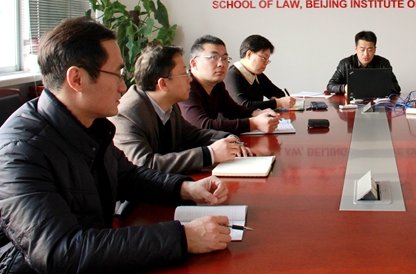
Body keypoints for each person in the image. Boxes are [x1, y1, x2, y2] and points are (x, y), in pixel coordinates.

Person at [0, 17, 234, 273]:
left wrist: (186, 188)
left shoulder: (90, 125)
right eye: (117, 74)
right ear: (77, 79)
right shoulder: (20, 151)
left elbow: (127, 176)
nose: (124, 86)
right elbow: (60, 251)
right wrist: (182, 238)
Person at [112, 44, 253, 174]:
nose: (189, 79)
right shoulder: (127, 114)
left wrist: (227, 138)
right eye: (184, 73)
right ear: (163, 84)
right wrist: (210, 154)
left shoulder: (169, 104)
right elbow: (144, 164)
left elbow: (192, 135)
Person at [179, 35, 280, 134]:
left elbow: (232, 110)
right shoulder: (186, 87)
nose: (221, 64)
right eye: (213, 57)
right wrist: (254, 123)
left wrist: (257, 113)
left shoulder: (217, 85)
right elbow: (202, 125)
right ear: (194, 63)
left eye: (224, 58)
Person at [225, 34, 296, 110]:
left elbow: (279, 93)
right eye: (264, 58)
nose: (266, 63)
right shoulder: (232, 75)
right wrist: (277, 103)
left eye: (267, 60)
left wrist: (276, 100)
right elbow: (244, 105)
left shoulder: (258, 75)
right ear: (249, 54)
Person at [326, 30, 401, 95]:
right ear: (356, 49)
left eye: (370, 50)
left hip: (376, 102)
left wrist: (378, 87)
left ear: (375, 49)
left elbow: (396, 87)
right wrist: (344, 88)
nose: (366, 54)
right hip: (351, 103)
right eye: (362, 50)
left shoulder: (383, 63)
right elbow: (330, 86)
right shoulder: (345, 64)